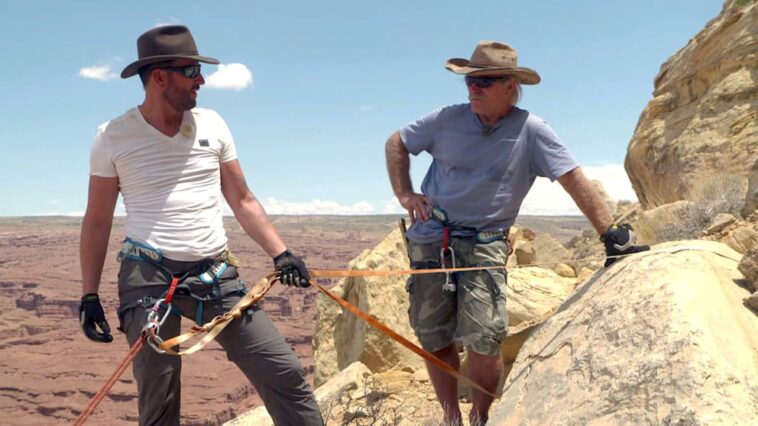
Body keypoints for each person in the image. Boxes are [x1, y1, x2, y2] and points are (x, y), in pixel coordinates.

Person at [385, 40, 649, 425]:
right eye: (469, 81)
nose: (473, 88)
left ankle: (479, 416)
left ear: (510, 85)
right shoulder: (445, 119)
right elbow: (396, 141)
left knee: (485, 339)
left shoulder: (532, 131)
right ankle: (450, 415)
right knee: (434, 336)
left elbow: (572, 178)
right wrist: (404, 193)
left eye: (484, 81)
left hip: (485, 244)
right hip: (431, 241)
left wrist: (609, 233)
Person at [78, 25, 323, 426]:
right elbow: (98, 220)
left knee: (284, 374)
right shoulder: (112, 136)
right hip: (148, 278)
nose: (201, 80)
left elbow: (242, 199)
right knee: (160, 403)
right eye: (191, 71)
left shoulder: (213, 125)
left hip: (215, 274)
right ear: (160, 76)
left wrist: (281, 253)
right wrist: (89, 294)